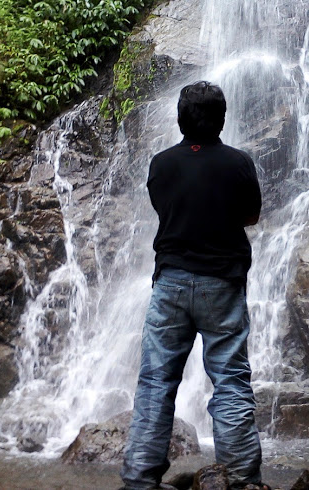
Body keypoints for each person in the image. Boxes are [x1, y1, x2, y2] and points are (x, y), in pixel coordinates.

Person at [120, 81, 264, 490]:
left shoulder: (161, 164)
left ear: (180, 118)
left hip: (169, 285)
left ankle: (139, 479)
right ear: (222, 117)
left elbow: (165, 208)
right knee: (231, 381)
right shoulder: (238, 163)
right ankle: (242, 479)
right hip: (222, 284)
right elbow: (250, 217)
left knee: (155, 382)